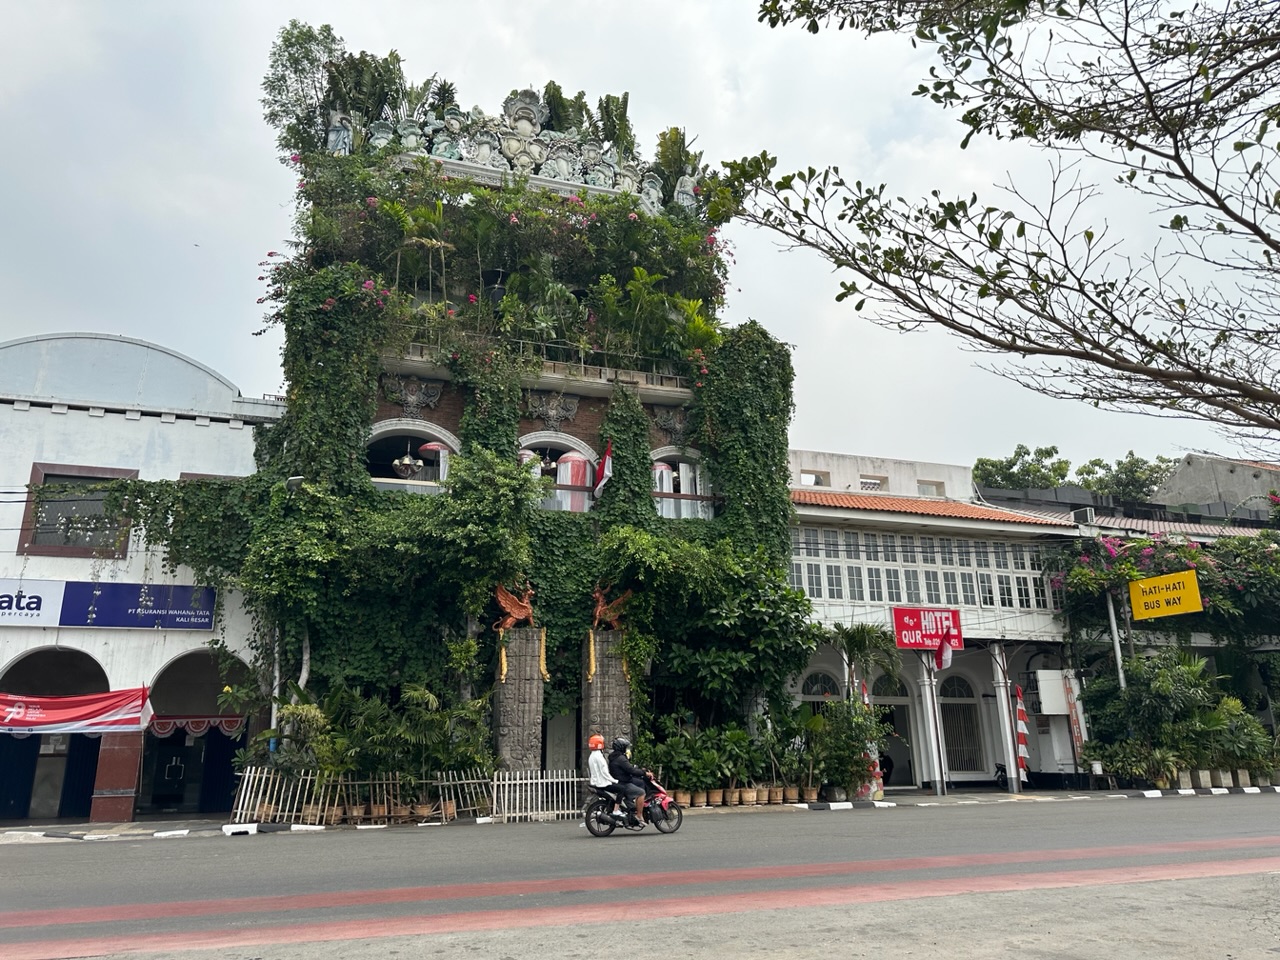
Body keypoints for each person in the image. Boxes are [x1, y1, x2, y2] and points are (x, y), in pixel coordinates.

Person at [607, 736, 649, 826]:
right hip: (623, 782)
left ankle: (632, 804)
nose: (627, 749)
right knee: (641, 793)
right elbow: (631, 770)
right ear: (621, 747)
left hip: (621, 780)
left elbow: (628, 768)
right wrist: (644, 773)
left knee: (640, 782)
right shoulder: (621, 758)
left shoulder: (615, 757)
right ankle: (639, 815)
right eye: (626, 747)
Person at [586, 734, 621, 817]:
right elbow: (605, 773)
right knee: (621, 789)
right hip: (603, 783)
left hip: (595, 783)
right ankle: (616, 810)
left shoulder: (591, 756)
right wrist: (615, 781)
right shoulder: (599, 757)